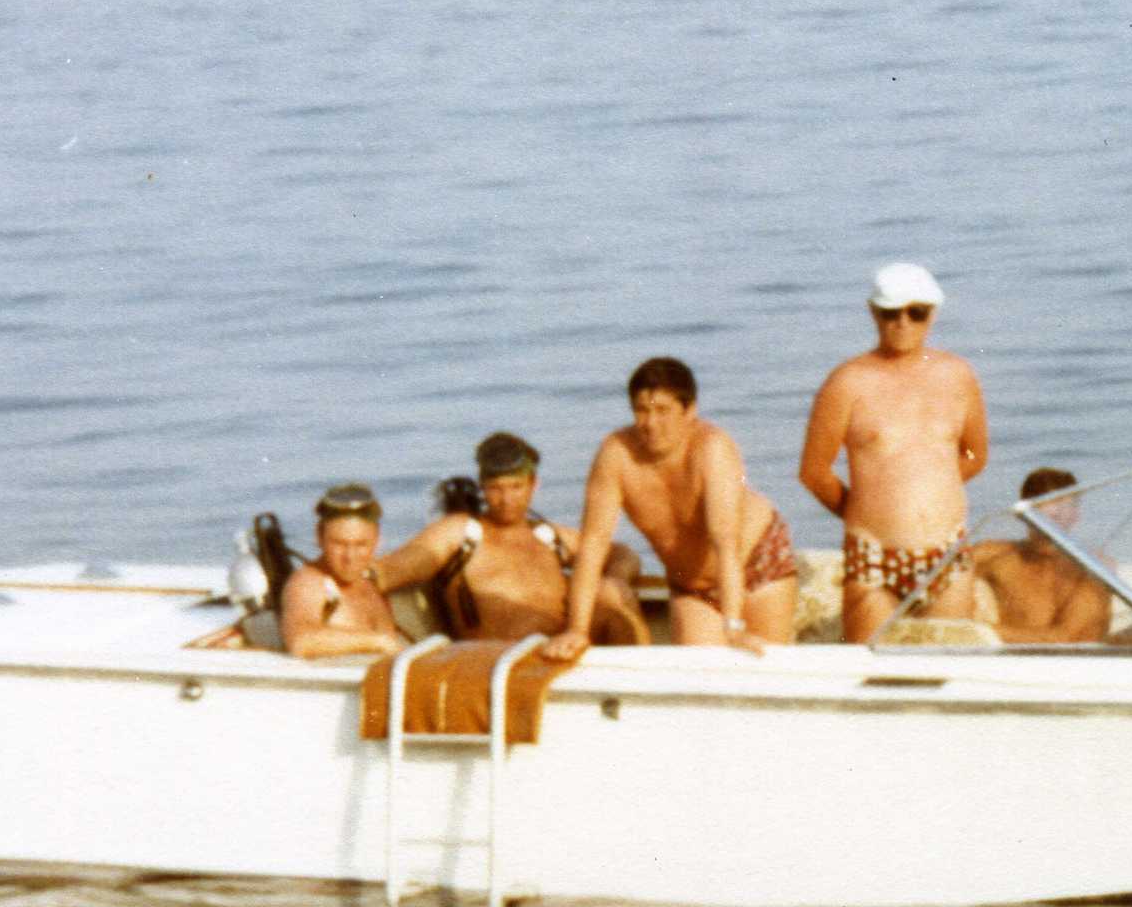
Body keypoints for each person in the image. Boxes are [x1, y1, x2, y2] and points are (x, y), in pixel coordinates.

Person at [546, 358, 797, 660]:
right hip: (692, 585)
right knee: (697, 676)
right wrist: (577, 629)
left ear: (689, 411)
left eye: (663, 411)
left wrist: (733, 626)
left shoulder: (712, 448)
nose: (651, 423)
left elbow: (724, 542)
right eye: (642, 411)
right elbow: (592, 546)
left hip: (756, 563)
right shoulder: (616, 454)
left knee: (764, 668)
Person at [799, 262, 990, 639]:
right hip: (874, 555)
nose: (903, 322)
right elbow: (814, 472)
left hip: (947, 551)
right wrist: (867, 508)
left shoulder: (957, 375)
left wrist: (933, 490)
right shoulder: (847, 382)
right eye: (891, 313)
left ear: (931, 315)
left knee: (948, 669)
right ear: (874, 312)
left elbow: (975, 455)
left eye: (915, 313)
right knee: (870, 672)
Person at [381, 433, 648, 645]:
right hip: (496, 662)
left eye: (516, 487)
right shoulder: (462, 533)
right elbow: (392, 570)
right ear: (482, 488)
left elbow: (623, 554)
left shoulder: (548, 537)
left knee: (615, 603)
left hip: (560, 650)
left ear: (534, 485)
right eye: (495, 489)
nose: (506, 500)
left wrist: (615, 578)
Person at [969, 467, 1112, 645]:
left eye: (1069, 504)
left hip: (1070, 664)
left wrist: (979, 631)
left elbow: (1068, 639)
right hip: (1006, 660)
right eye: (1051, 502)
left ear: (1076, 514)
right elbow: (936, 576)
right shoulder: (992, 555)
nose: (1059, 512)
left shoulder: (1090, 567)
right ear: (1023, 512)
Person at [278, 483, 405, 661]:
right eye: (339, 544)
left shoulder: (367, 580)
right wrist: (377, 641)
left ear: (377, 540)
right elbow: (300, 641)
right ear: (319, 538)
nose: (350, 557)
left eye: (361, 544)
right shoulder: (309, 583)